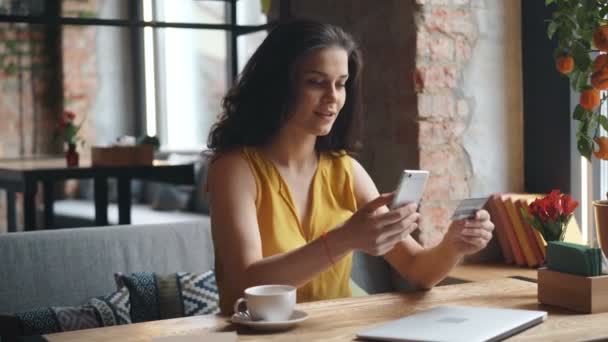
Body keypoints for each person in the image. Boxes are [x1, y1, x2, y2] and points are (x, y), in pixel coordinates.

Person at [206, 19, 494, 314]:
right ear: (279, 84)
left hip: (337, 332)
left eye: (341, 84)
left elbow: (418, 270)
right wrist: (345, 239)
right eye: (316, 82)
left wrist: (453, 245)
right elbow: (245, 284)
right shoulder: (235, 169)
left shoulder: (345, 170)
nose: (333, 97)